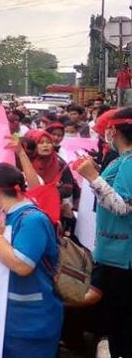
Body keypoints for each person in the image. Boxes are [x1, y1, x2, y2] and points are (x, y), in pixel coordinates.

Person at [0, 162, 62, 358]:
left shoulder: (31, 219)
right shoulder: (6, 216)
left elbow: (22, 265)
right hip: (12, 320)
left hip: (32, 322)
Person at [74, 107, 132, 357]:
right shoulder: (121, 161)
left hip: (124, 258)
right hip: (113, 255)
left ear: (115, 131)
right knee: (116, 326)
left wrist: (93, 177)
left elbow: (122, 206)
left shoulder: (130, 163)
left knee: (124, 329)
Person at [27, 130, 78, 233]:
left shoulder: (60, 165)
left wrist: (46, 192)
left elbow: (68, 189)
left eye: (48, 142)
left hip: (56, 212)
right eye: (41, 143)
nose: (45, 145)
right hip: (30, 211)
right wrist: (53, 188)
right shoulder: (26, 165)